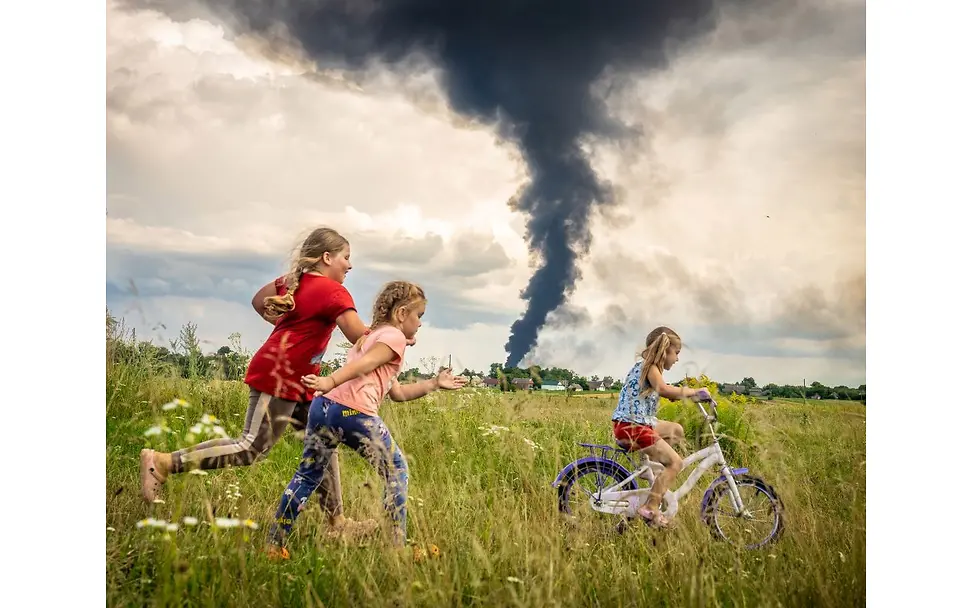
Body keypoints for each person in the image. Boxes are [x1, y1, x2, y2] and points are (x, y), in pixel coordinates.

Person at [139, 226, 376, 536]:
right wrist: (395, 333)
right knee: (251, 447)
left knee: (323, 443)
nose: (350, 265)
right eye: (346, 257)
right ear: (327, 257)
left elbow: (258, 300)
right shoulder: (334, 291)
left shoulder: (295, 283)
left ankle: (337, 523)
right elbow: (360, 337)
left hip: (302, 382)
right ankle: (164, 462)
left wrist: (286, 325)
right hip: (278, 376)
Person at [265, 281, 467, 558]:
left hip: (323, 407)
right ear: (401, 313)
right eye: (418, 316)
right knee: (397, 471)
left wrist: (434, 383)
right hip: (352, 412)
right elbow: (365, 365)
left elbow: (397, 393)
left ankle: (275, 543)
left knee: (308, 474)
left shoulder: (372, 337)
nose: (420, 324)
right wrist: (330, 379)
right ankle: (397, 549)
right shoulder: (392, 339)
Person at [610, 326, 711, 529]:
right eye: (676, 353)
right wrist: (694, 392)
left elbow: (657, 390)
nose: (677, 359)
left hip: (637, 423)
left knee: (676, 430)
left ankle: (654, 472)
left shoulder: (647, 367)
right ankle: (651, 507)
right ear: (665, 350)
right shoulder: (650, 366)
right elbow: (663, 389)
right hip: (633, 427)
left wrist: (678, 395)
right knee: (676, 463)